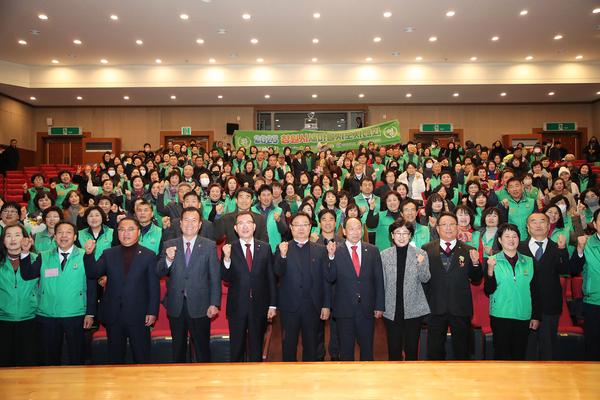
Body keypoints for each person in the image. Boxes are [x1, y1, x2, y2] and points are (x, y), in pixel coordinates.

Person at [83, 217, 159, 364]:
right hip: (114, 314)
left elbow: (153, 287)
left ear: (138, 232)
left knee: (142, 357)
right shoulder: (108, 253)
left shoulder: (148, 255)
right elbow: (93, 273)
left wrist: (152, 311)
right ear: (117, 233)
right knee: (115, 358)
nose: (126, 233)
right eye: (122, 229)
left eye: (130, 229)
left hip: (139, 315)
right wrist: (88, 255)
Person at [20, 221, 96, 365]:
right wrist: (24, 253)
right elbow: (27, 274)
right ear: (54, 236)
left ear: (75, 237)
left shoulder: (85, 255)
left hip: (75, 313)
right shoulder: (44, 256)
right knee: (49, 357)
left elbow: (92, 286)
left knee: (76, 356)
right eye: (60, 232)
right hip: (47, 314)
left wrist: (90, 313)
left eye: (68, 232)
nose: (64, 236)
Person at [157, 208, 220, 363]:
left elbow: (214, 277)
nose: (189, 224)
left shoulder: (209, 245)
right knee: (178, 349)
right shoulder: (169, 244)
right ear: (180, 223)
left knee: (202, 349)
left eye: (194, 220)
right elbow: (159, 271)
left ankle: (204, 381)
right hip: (176, 306)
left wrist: (214, 303)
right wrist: (168, 260)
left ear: (199, 225)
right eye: (186, 219)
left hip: (201, 305)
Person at [274, 212, 333, 362]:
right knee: (288, 346)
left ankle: (310, 380)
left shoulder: (320, 250)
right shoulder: (283, 247)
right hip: (289, 307)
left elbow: (326, 280)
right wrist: (282, 255)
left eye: (305, 225)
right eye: (297, 225)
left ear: (310, 227)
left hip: (313, 306)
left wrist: (326, 305)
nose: (301, 228)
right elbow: (277, 272)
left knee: (312, 347)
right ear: (291, 228)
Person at [422, 212, 482, 360]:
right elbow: (423, 280)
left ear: (457, 227)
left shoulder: (469, 250)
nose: (448, 228)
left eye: (452, 224)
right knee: (434, 351)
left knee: (462, 351)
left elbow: (476, 279)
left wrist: (475, 264)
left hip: (460, 308)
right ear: (437, 229)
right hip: (436, 308)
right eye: (444, 224)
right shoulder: (427, 249)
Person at [327, 217, 384, 361]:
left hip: (366, 309)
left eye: (358, 228)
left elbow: (378, 280)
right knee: (346, 351)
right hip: (344, 310)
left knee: (367, 350)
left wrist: (379, 305)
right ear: (344, 231)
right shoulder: (335, 251)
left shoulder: (372, 250)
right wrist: (331, 257)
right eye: (351, 228)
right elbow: (330, 278)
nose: (355, 232)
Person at [221, 211, 276, 362]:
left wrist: (272, 305)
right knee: (237, 348)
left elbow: (270, 278)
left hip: (259, 306)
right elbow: (225, 278)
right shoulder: (229, 248)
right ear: (235, 228)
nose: (245, 226)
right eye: (241, 223)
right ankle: (237, 381)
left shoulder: (264, 248)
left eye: (248, 223)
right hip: (237, 306)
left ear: (254, 226)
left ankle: (256, 380)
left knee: (256, 348)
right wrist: (226, 258)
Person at [485, 223, 541, 360]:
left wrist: (536, 316)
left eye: (514, 236)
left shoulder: (529, 261)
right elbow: (488, 290)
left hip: (523, 314)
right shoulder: (492, 261)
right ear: (499, 240)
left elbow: (536, 290)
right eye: (507, 236)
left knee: (519, 354)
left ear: (519, 239)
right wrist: (490, 271)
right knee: (502, 355)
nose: (511, 239)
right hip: (501, 314)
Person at [517, 212, 569, 360]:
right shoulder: (519, 248)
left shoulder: (557, 247)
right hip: (524, 307)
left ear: (548, 226)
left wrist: (562, 249)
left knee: (549, 351)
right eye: (533, 221)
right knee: (526, 351)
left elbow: (565, 270)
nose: (538, 225)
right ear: (527, 227)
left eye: (542, 221)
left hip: (549, 307)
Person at [380, 219, 430, 361]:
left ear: (410, 236)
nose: (401, 236)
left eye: (405, 233)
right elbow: (382, 282)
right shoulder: (384, 255)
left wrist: (420, 264)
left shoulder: (421, 254)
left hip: (414, 309)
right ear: (392, 235)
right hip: (391, 309)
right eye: (398, 233)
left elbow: (426, 278)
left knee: (411, 348)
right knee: (394, 348)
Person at [0, 224, 39, 366]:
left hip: (30, 318)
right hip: (3, 320)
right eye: (8, 235)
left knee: (28, 365)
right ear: (3, 240)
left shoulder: (37, 259)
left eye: (17, 235)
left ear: (26, 239)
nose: (12, 239)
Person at [570, 209, 600, 361]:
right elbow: (573, 269)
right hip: (593, 303)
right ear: (594, 224)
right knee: (594, 347)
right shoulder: (586, 243)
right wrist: (580, 250)